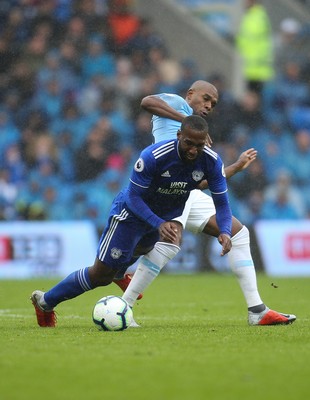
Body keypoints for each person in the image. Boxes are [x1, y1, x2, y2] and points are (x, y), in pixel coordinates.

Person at [119, 79, 296, 326]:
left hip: (188, 191)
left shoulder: (197, 138)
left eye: (213, 103)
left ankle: (257, 309)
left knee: (238, 233)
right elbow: (146, 101)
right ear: (191, 94)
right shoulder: (177, 103)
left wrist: (235, 167)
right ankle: (123, 307)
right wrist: (185, 121)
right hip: (167, 189)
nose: (209, 106)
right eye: (206, 99)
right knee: (169, 243)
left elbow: (203, 182)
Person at [31, 115, 234, 327]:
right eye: (188, 143)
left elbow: (222, 203)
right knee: (101, 275)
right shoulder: (153, 156)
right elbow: (133, 197)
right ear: (179, 135)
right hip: (130, 216)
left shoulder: (211, 161)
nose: (193, 150)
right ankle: (45, 301)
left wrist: (225, 231)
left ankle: (120, 272)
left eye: (199, 145)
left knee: (144, 251)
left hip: (159, 220)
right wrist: (158, 223)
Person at [236, 0, 275, 95]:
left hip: (257, 69)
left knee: (255, 100)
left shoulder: (257, 17)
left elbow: (251, 39)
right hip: (252, 68)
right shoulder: (252, 15)